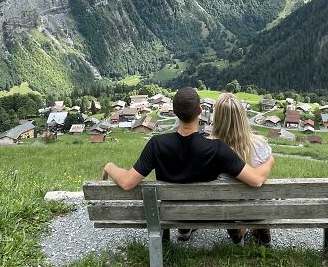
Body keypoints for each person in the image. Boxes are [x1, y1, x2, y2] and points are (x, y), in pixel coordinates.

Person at [102, 86, 275, 242]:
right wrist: (270, 161)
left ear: (175, 112)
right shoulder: (217, 148)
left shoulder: (156, 145)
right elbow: (256, 180)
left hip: (170, 214)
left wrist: (109, 166)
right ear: (200, 110)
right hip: (207, 214)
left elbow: (127, 182)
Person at [211, 93, 273, 247]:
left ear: (217, 118)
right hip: (257, 207)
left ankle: (237, 233)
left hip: (227, 210)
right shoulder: (260, 146)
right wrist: (271, 161)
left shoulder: (209, 148)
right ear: (242, 117)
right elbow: (260, 178)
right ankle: (260, 230)